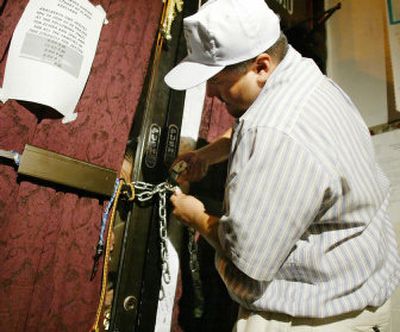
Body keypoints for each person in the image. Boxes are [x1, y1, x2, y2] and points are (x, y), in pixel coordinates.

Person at [164, 0, 400, 330]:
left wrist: (195, 215)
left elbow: (248, 257)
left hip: (315, 318)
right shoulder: (301, 75)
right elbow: (261, 122)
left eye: (217, 83)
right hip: (361, 293)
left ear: (261, 67)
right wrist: (207, 155)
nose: (211, 94)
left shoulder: (276, 133)